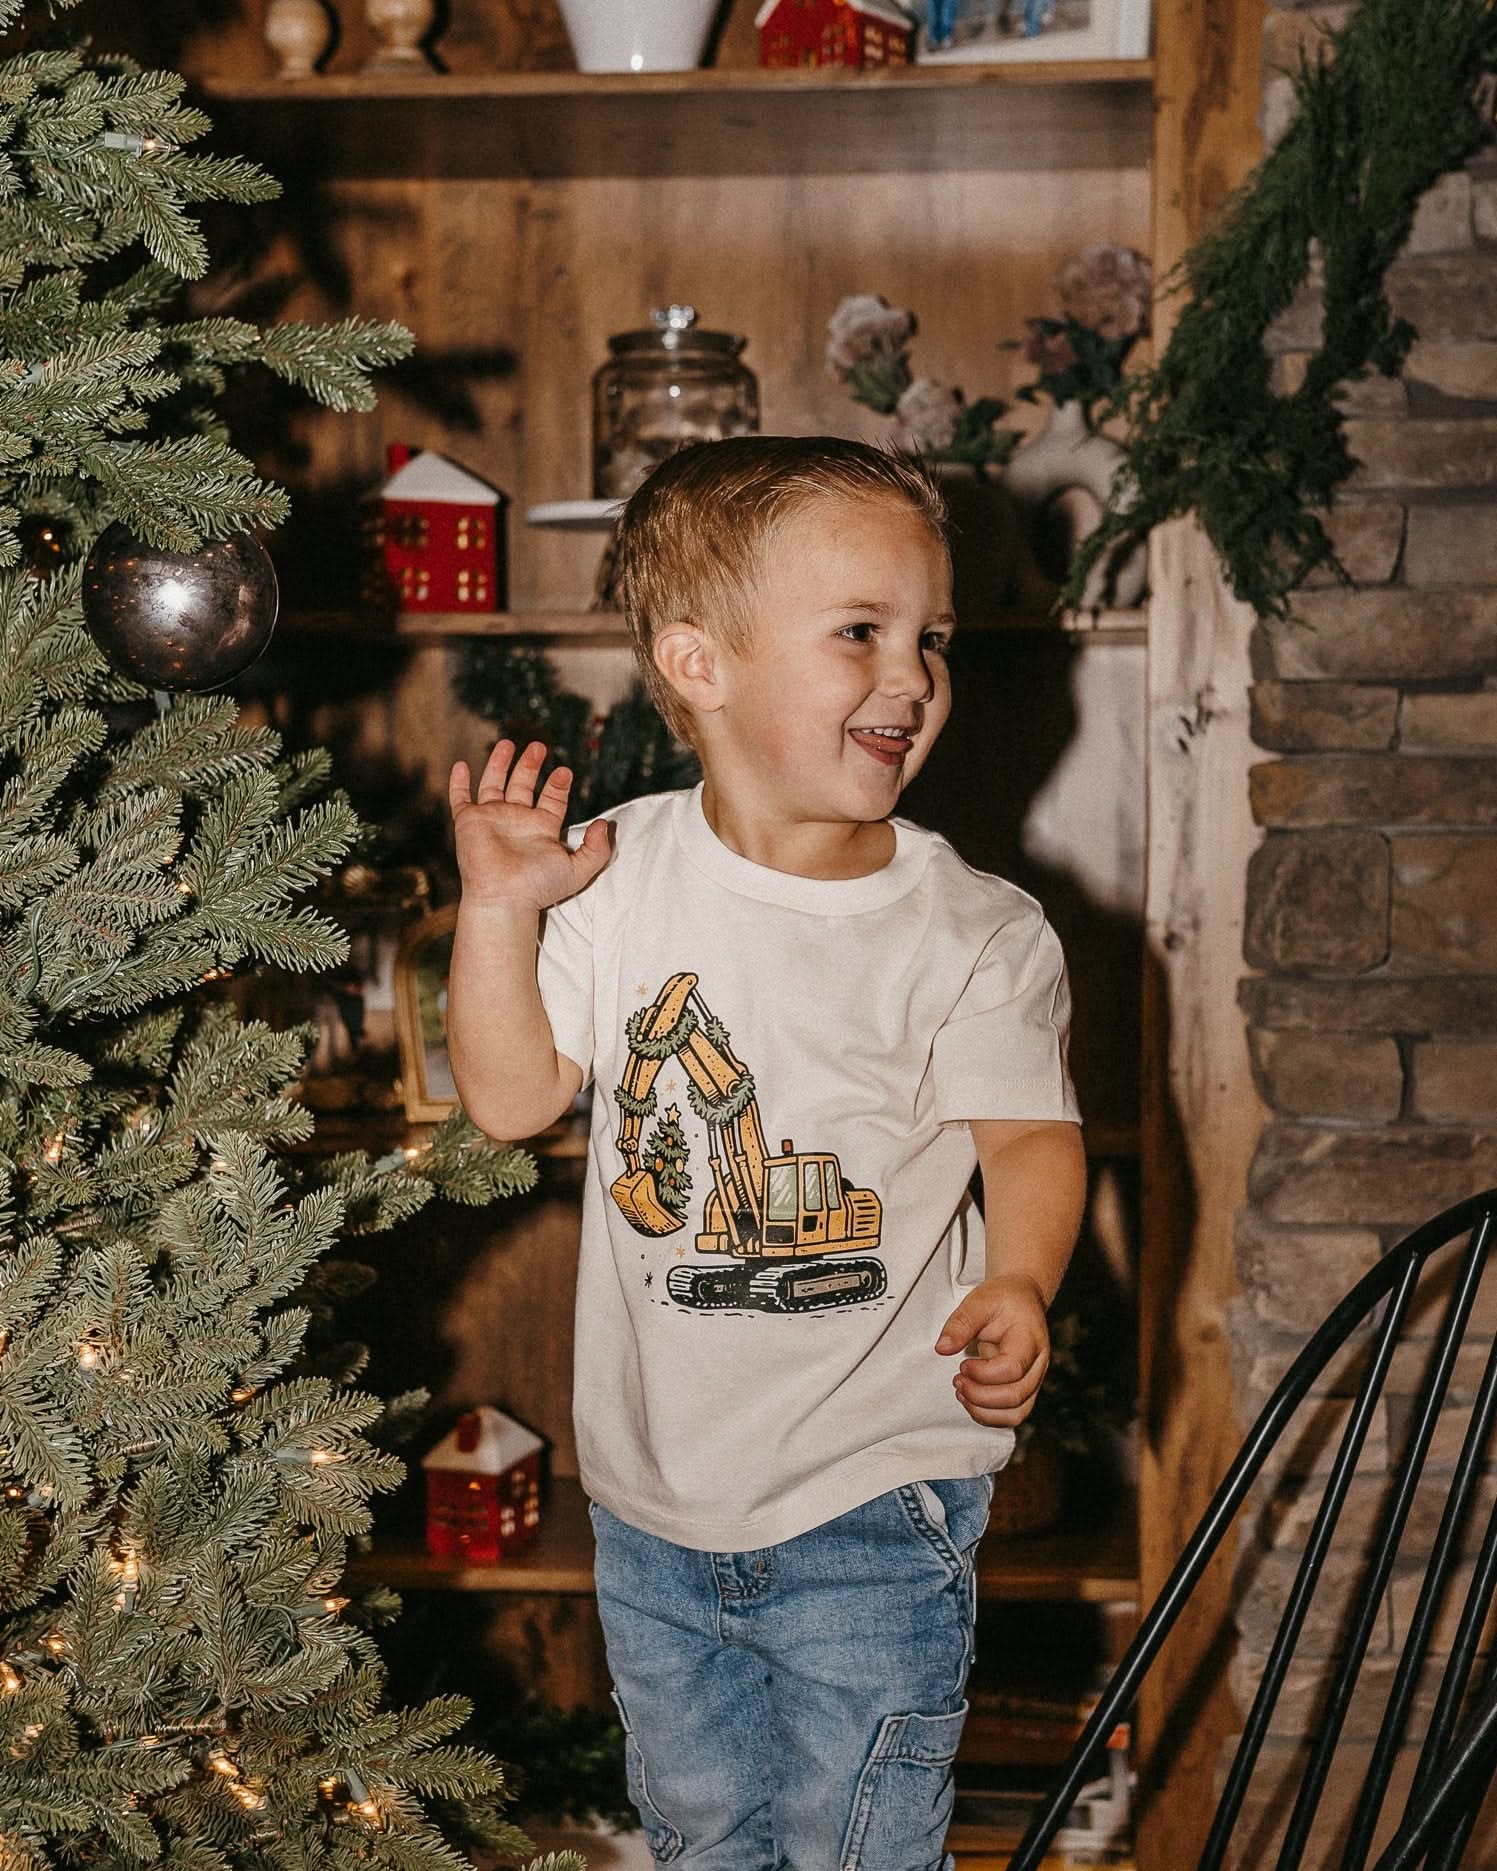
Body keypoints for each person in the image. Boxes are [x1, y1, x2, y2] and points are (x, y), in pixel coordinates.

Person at [446, 435, 1087, 1870]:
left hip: (872, 1496)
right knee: (700, 1839)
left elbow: (1030, 1140)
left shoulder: (970, 932)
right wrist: (497, 911)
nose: (911, 675)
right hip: (654, 1508)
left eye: (928, 637)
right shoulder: (608, 874)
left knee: (855, 1842)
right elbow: (507, 1099)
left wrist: (1025, 1280)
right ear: (699, 664)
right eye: (859, 631)